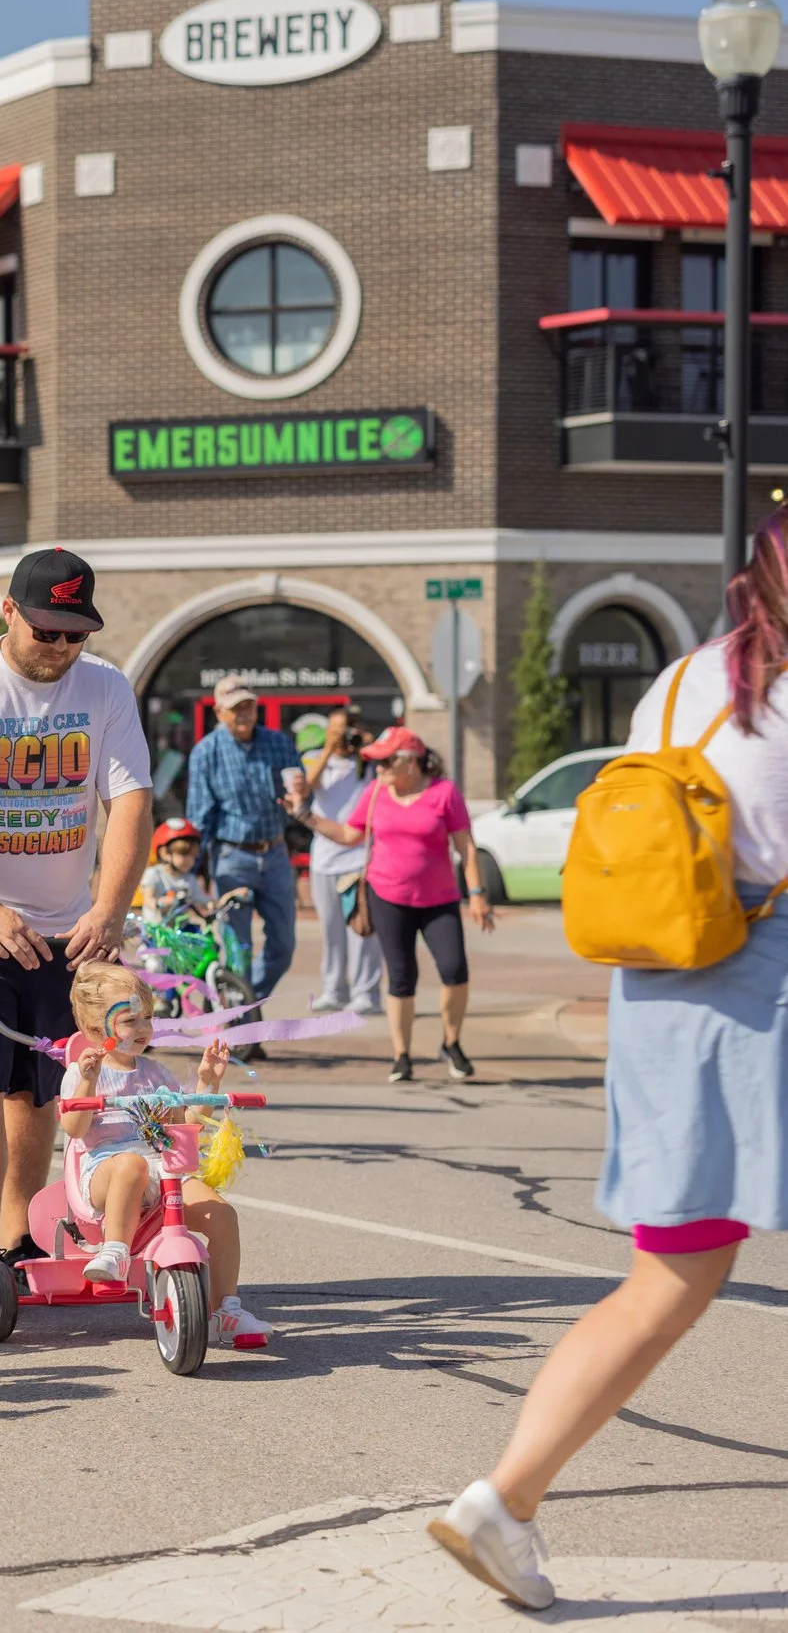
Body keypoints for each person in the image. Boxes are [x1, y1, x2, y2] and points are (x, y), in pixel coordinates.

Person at [428, 514, 788, 1612]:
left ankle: (505, 1498)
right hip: (760, 984)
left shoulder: (679, 684)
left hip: (660, 983)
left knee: (667, 1275)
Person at [0, 547, 155, 1311]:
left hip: (60, 917)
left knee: (40, 1083)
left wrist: (108, 908)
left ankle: (19, 1240)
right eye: (47, 631)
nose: (61, 649)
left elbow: (131, 803)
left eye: (75, 635)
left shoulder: (105, 688)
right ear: (9, 611)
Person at [58, 963, 269, 1343]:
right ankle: (116, 1251)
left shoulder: (156, 1072)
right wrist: (87, 1083)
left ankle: (226, 1311)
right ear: (94, 1030)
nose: (142, 1029)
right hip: (107, 1171)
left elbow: (182, 1123)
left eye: (148, 1018)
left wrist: (208, 1081)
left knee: (222, 1214)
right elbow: (74, 1130)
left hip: (162, 1169)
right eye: (129, 1020)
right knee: (132, 1164)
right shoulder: (83, 1072)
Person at [289, 727, 492, 1082]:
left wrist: (477, 895)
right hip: (388, 896)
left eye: (385, 761)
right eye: (375, 761)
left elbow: (466, 848)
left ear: (410, 762)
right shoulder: (376, 792)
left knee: (454, 970)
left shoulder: (444, 793)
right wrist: (306, 815)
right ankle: (402, 1055)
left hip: (439, 900)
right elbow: (350, 835)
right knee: (401, 977)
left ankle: (452, 1042)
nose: (378, 767)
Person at [182, 677, 301, 1031]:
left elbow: (298, 789)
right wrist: (194, 869)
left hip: (276, 853)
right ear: (219, 712)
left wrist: (300, 797)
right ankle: (244, 1020)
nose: (243, 714)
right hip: (231, 857)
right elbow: (200, 815)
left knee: (284, 944)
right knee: (240, 947)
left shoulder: (279, 744)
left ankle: (246, 1002)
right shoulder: (207, 752)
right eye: (235, 709)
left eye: (248, 706)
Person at [302, 704, 385, 1014]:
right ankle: (333, 990)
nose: (341, 737)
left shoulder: (367, 761)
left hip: (359, 859)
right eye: (334, 729)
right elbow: (306, 788)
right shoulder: (315, 757)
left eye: (345, 730)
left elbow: (384, 772)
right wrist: (328, 747)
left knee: (362, 929)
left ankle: (367, 994)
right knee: (331, 929)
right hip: (325, 859)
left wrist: (368, 744)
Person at [140, 818, 212, 920]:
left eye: (193, 855)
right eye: (184, 854)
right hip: (156, 930)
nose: (190, 860)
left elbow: (205, 902)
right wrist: (160, 902)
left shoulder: (190, 879)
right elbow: (148, 899)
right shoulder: (154, 874)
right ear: (165, 853)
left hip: (179, 931)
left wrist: (223, 900)